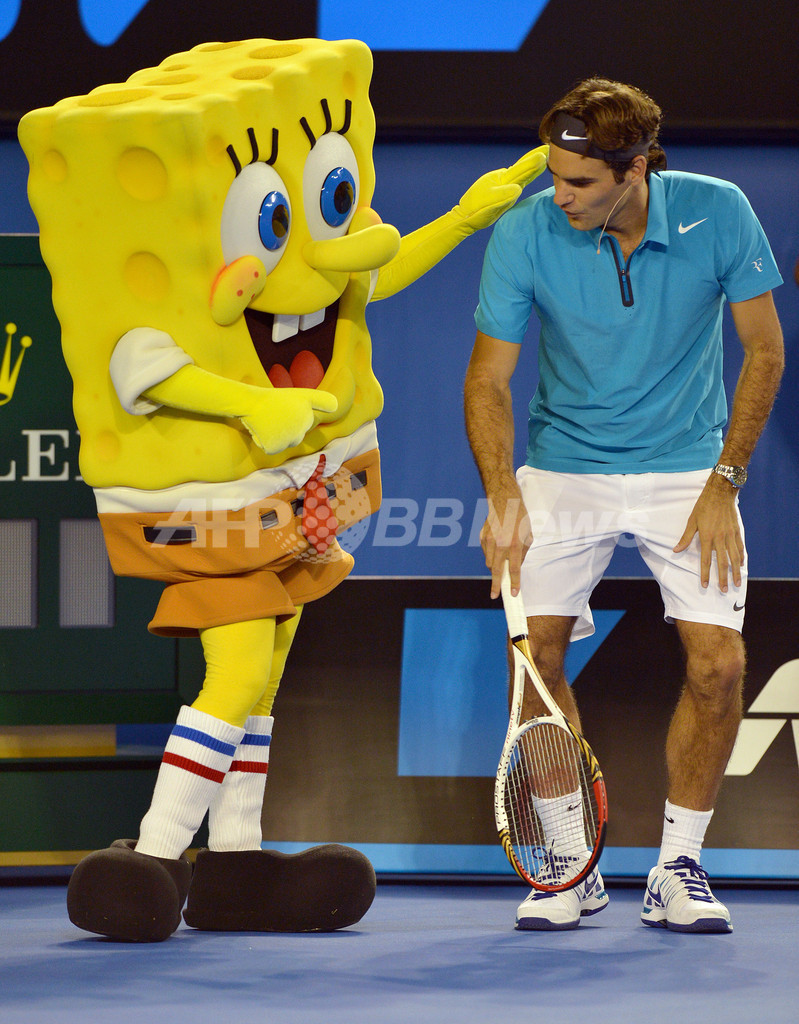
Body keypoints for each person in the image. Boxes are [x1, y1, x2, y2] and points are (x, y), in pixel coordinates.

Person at [464, 78, 785, 933]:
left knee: (718, 666)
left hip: (687, 472)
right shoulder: (523, 232)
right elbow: (489, 378)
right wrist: (503, 493)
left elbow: (762, 353)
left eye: (577, 183)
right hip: (564, 468)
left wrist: (723, 482)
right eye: (552, 176)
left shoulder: (717, 212)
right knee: (535, 661)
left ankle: (676, 867)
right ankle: (570, 863)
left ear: (634, 168)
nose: (556, 196)